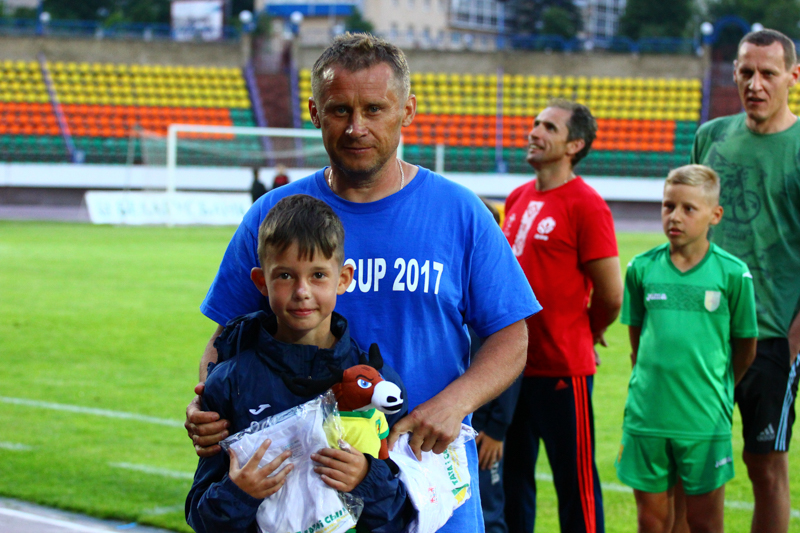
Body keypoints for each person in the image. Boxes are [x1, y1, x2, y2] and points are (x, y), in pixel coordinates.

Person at [185, 32, 541, 533]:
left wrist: (455, 403)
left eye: (374, 109)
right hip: (310, 498)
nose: (357, 127)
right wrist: (207, 405)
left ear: (407, 111)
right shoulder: (275, 215)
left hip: (431, 486)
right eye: (339, 110)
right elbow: (226, 335)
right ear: (314, 113)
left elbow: (512, 336)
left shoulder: (460, 212)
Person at [186, 194, 412, 533]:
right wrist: (238, 494)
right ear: (261, 282)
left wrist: (367, 478)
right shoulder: (230, 383)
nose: (302, 291)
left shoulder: (377, 385)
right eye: (285, 276)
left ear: (343, 278)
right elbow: (200, 516)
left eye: (318, 274)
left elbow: (402, 516)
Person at [690, 29, 800, 533]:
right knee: (691, 463)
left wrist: (793, 343)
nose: (755, 83)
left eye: (768, 73)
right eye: (746, 71)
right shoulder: (710, 136)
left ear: (793, 77)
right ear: (734, 72)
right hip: (703, 331)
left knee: (765, 466)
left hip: (772, 334)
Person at [615, 164, 758, 533]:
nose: (675, 216)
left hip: (704, 420)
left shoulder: (733, 273)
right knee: (651, 522)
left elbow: (746, 348)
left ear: (715, 215)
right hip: (647, 418)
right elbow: (638, 344)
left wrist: (721, 390)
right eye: (668, 206)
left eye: (688, 208)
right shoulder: (641, 268)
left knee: (704, 523)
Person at [502, 99, 623, 533]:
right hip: (509, 367)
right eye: (535, 123)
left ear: (575, 145)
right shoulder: (517, 197)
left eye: (549, 127)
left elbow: (611, 294)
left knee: (575, 483)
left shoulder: (587, 205)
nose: (534, 132)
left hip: (561, 369)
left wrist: (588, 331)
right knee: (512, 481)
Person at [472, 198, 522, 533]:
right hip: (454, 423)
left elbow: (510, 362)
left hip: (484, 430)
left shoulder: (497, 288)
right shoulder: (455, 281)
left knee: (488, 511)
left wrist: (496, 429)